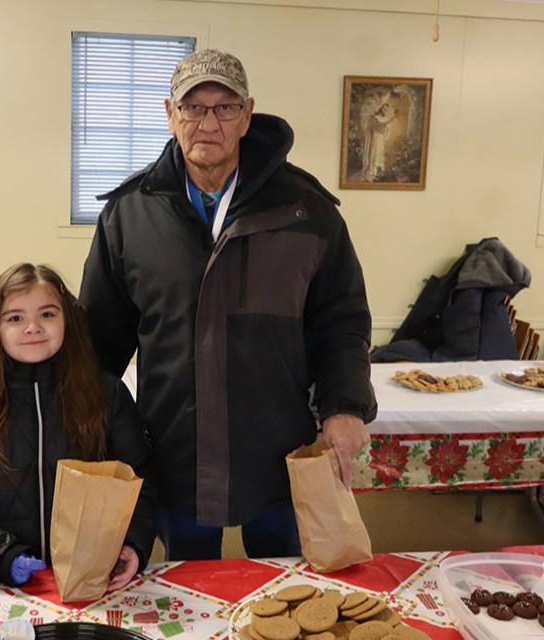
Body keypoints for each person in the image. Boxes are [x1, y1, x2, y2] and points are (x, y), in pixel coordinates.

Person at [80, 49, 377, 561]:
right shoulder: (129, 215)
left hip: (281, 450)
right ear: (170, 114)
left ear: (247, 115)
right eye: (193, 108)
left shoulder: (307, 211)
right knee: (187, 597)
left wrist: (345, 405)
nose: (208, 123)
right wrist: (82, 421)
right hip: (175, 450)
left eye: (224, 108)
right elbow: (100, 344)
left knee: (286, 592)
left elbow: (342, 323)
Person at [0, 263, 157, 589]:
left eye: (47, 314)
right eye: (15, 318)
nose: (32, 327)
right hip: (1, 581)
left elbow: (139, 478)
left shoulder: (107, 395)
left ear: (67, 321)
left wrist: (133, 543)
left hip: (95, 578)